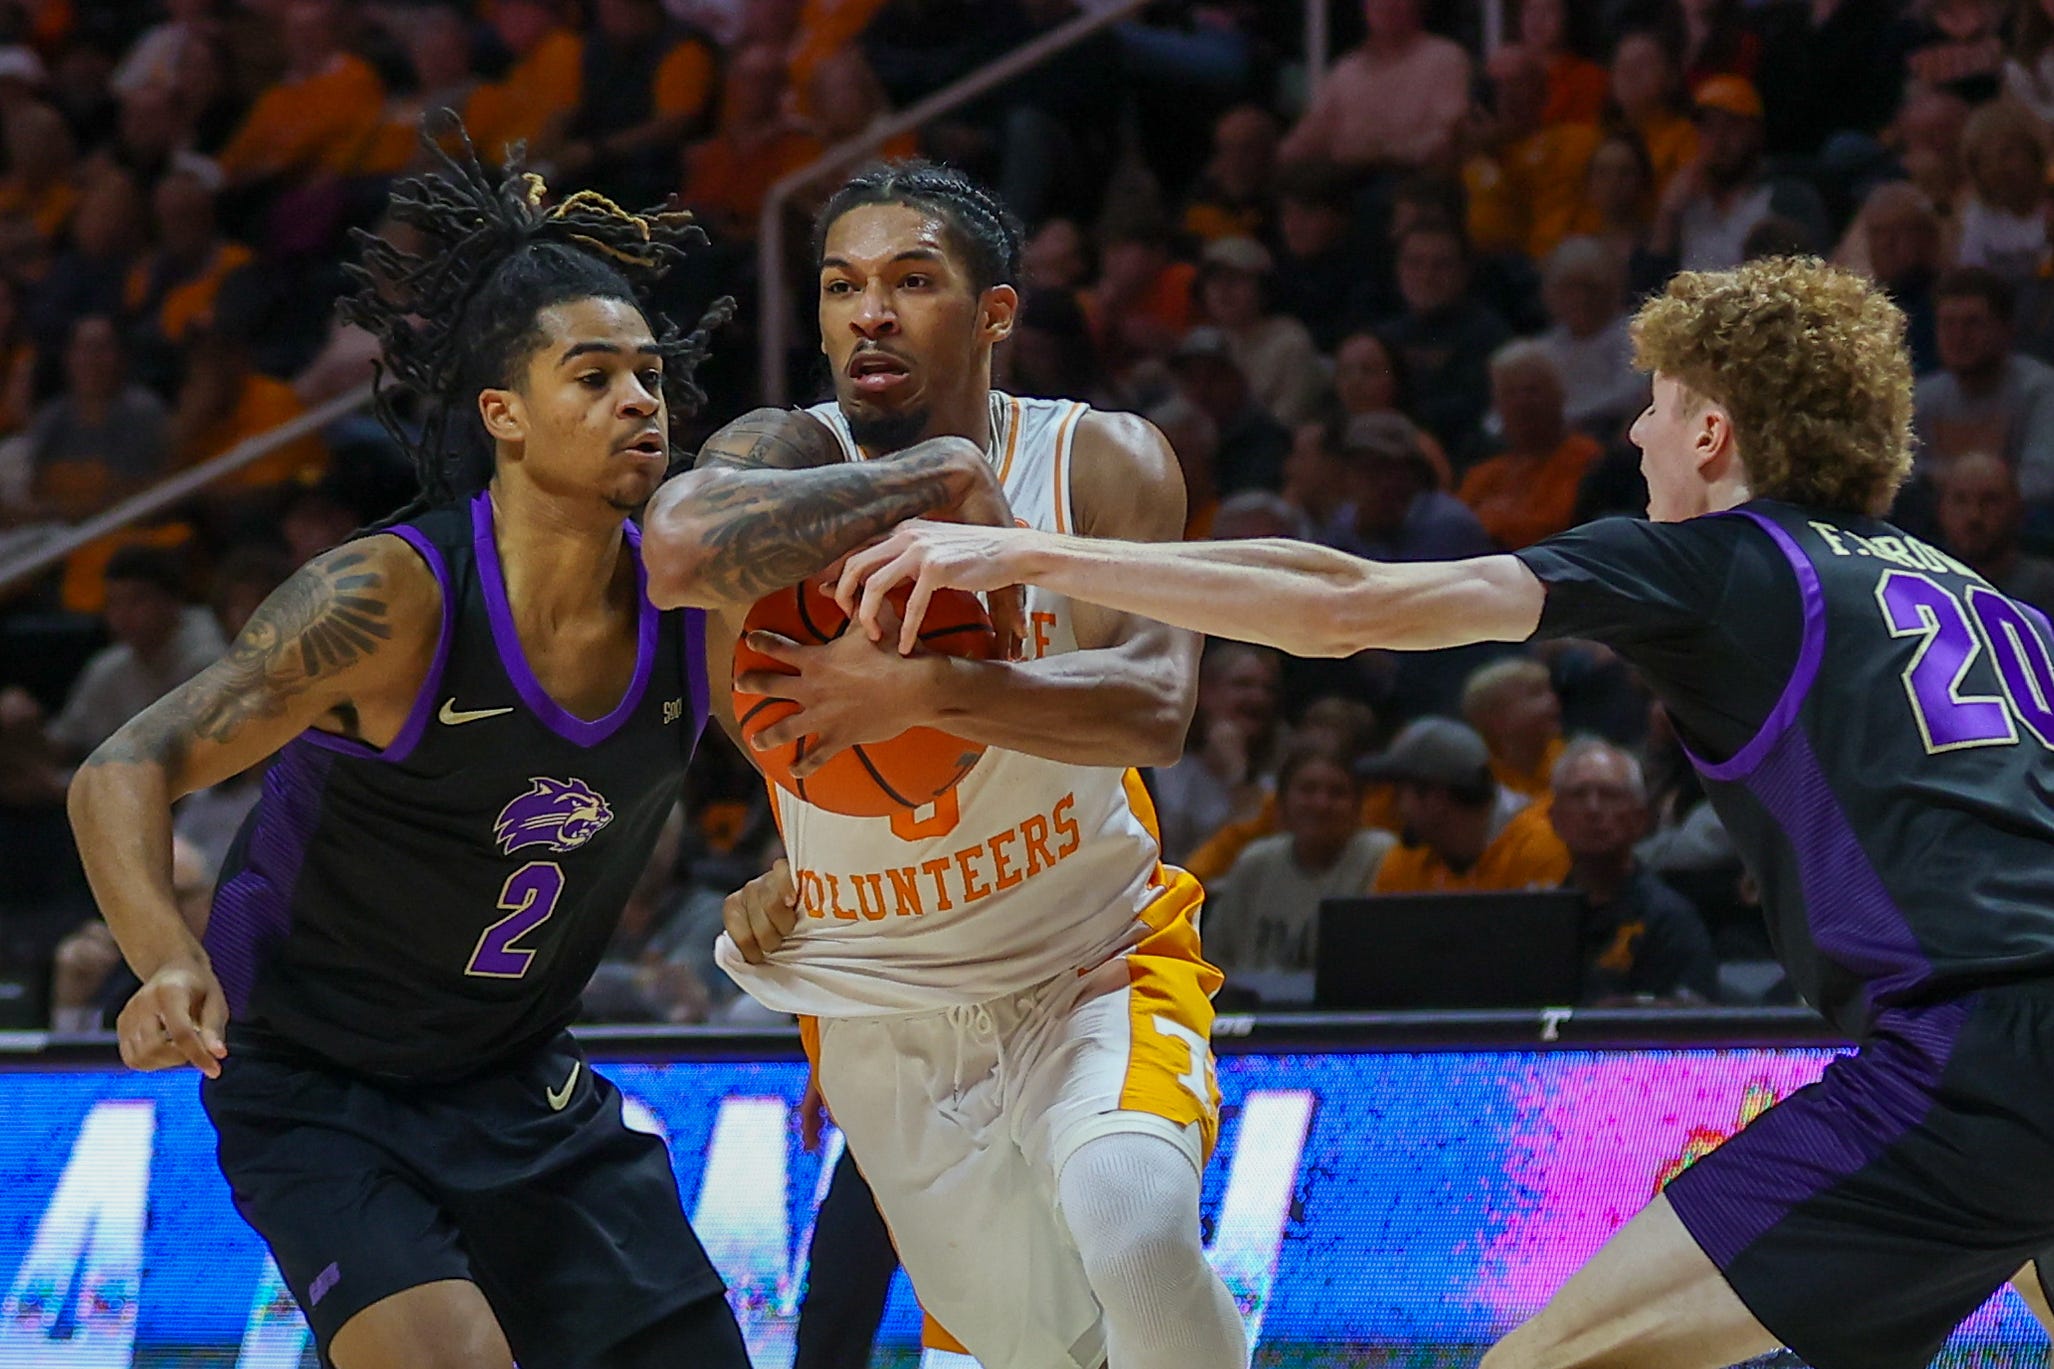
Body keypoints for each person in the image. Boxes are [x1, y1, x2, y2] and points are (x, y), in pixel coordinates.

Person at [833, 254, 2054, 1368]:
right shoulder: (1988, 604)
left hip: (1964, 1059)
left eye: (1657, 403)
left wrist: (1028, 556)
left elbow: (1347, 602)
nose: (1634, 431)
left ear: (1714, 429)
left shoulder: (1723, 559)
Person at [63, 117, 748, 1369]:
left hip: (516, 1076)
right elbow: (123, 765)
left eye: (649, 374)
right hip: (317, 1083)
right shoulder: (388, 600)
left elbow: (828, 762)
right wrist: (163, 959)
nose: (639, 398)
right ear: (506, 414)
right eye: (592, 377)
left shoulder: (692, 609)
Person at [643, 159, 1247, 1369]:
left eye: (911, 281)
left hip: (1090, 953)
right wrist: (935, 483)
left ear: (993, 315)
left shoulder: (1098, 461)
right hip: (880, 997)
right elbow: (674, 550)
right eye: (840, 286)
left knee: (1133, 1231)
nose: (868, 311)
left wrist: (923, 688)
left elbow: (1152, 706)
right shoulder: (779, 452)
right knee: (1035, 1349)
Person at [1549, 736, 1717, 1005]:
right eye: (1578, 795)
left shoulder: (1670, 920)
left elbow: (1691, 1024)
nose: (1593, 809)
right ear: (1555, 819)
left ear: (1640, 818)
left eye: (1609, 795)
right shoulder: (1543, 920)